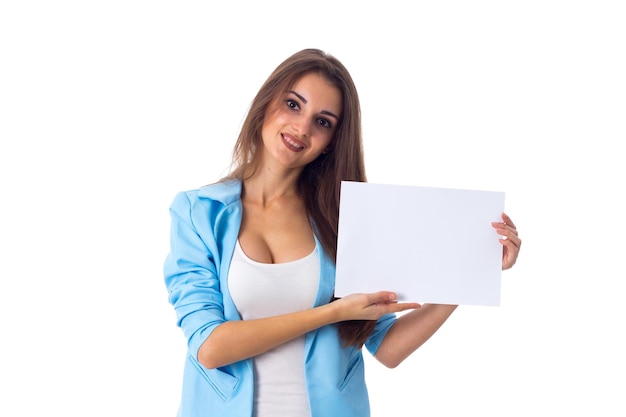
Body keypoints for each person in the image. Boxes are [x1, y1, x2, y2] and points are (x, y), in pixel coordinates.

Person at [163, 48, 521, 417]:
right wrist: (330, 314)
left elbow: (389, 348)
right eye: (293, 104)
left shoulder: (346, 220)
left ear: (333, 140)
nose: (302, 128)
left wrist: (471, 269)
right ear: (266, 102)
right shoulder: (199, 212)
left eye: (323, 121)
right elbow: (209, 346)